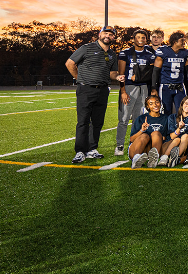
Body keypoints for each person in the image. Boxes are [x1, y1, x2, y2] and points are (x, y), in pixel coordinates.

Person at [65, 25, 124, 163]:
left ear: (114, 37)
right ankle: (80, 151)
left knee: (97, 122)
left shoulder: (112, 54)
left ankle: (92, 149)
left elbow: (112, 73)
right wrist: (80, 79)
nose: (108, 36)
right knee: (83, 121)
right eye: (105, 33)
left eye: (111, 34)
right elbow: (70, 63)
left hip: (103, 90)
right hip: (86, 89)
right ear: (99, 34)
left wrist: (117, 77)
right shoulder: (86, 48)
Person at [116, 29, 154, 156]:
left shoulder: (149, 53)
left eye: (143, 37)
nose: (141, 39)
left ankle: (134, 143)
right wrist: (123, 91)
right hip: (129, 87)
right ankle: (120, 145)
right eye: (138, 37)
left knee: (138, 118)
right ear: (133, 39)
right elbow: (121, 74)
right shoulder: (125, 53)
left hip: (143, 88)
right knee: (124, 118)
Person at [151, 31, 188, 116]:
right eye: (182, 41)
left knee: (182, 111)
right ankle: (166, 129)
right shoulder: (164, 51)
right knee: (165, 111)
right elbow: (156, 71)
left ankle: (180, 128)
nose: (184, 43)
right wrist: (154, 88)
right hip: (166, 86)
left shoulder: (185, 53)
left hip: (180, 86)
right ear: (175, 41)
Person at [128, 94, 168, 169]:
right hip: (138, 148)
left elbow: (166, 138)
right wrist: (142, 130)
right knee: (144, 136)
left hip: (155, 148)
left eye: (157, 102)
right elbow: (132, 139)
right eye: (151, 104)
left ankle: (153, 159)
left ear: (160, 103)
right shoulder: (141, 118)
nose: (155, 105)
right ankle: (136, 159)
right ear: (147, 107)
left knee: (156, 133)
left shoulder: (166, 118)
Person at [166, 96, 188, 167]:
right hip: (172, 144)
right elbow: (172, 136)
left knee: (185, 136)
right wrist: (179, 128)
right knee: (177, 139)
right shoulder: (172, 117)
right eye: (186, 103)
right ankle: (165, 157)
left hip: (185, 145)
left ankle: (175, 157)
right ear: (182, 104)